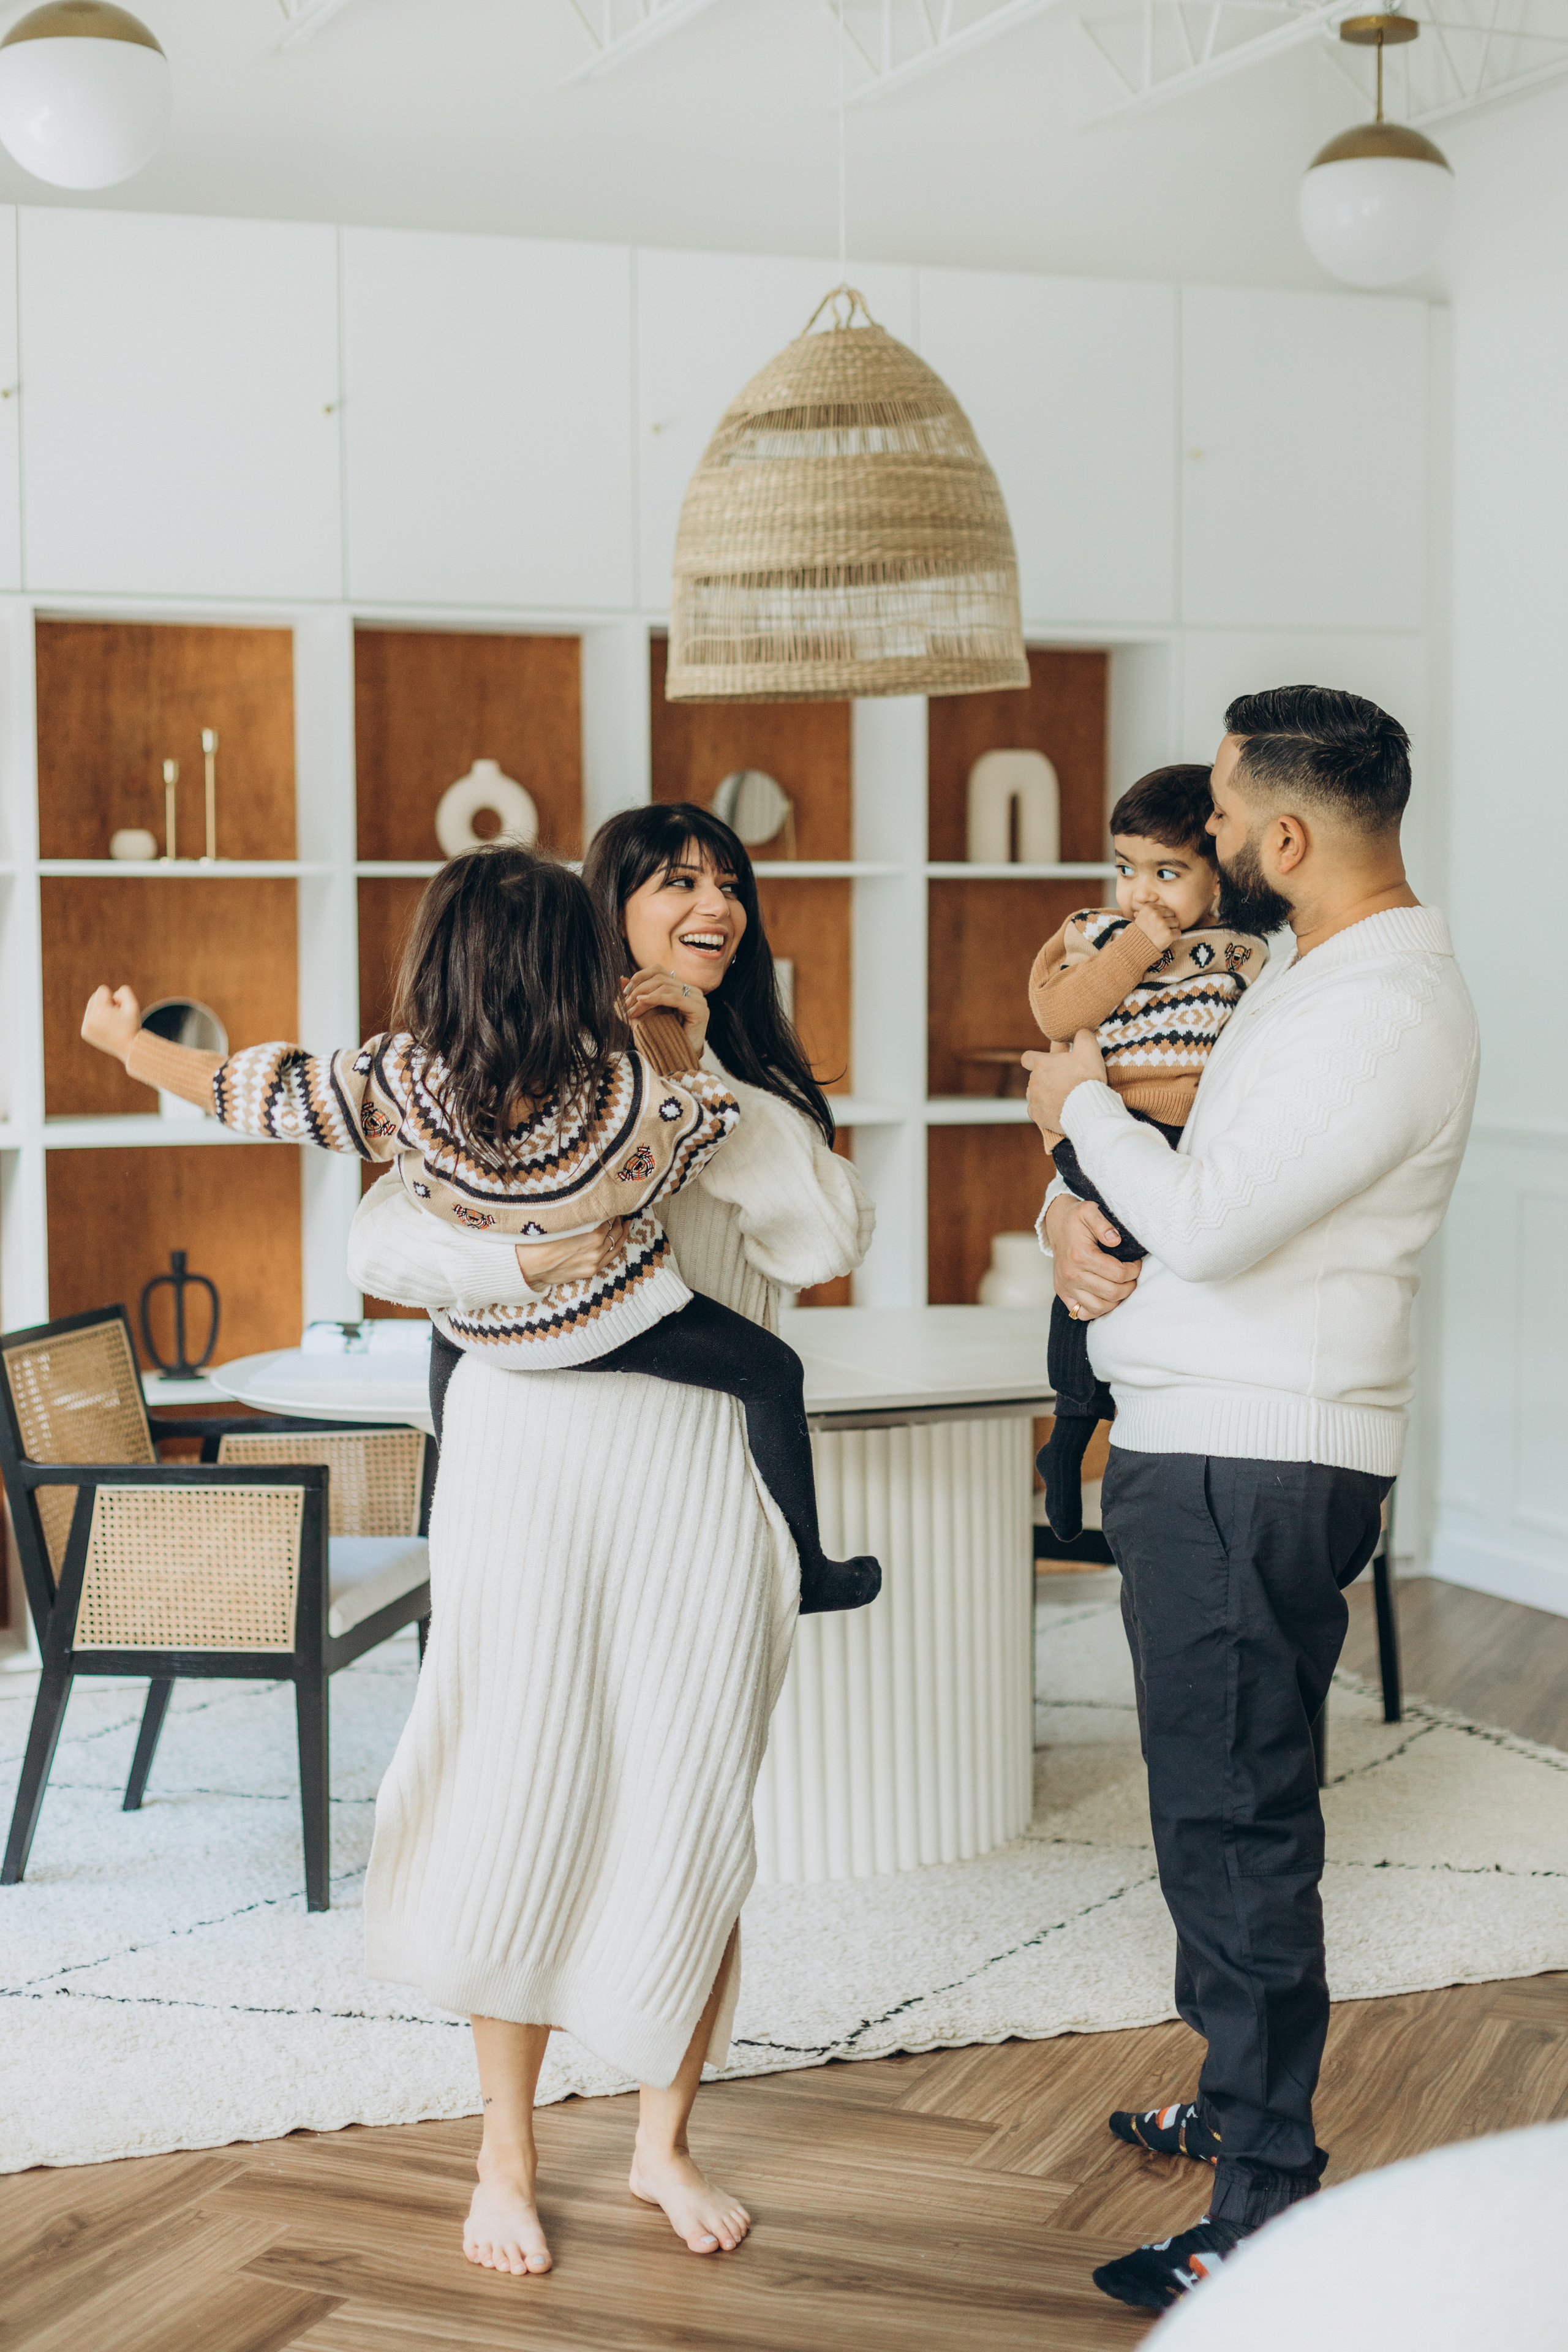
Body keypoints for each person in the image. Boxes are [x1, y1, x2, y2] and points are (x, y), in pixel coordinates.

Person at [342, 802, 875, 2279]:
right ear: (605, 914)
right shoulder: (512, 1066)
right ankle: (504, 2149)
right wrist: (526, 1251)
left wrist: (696, 1075)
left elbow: (819, 1247)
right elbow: (378, 1245)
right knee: (518, 1795)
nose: (709, 902)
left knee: (689, 1801)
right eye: (672, 882)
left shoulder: (752, 1083)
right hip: (530, 1474)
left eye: (727, 882)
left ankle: (661, 2137)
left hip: (704, 1484)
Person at [1022, 686, 1478, 2314]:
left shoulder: (1384, 1007)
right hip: (1204, 1439)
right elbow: (1182, 1196)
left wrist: (1066, 1102)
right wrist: (1075, 1237)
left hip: (1252, 1458)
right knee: (1204, 1804)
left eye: (1217, 816)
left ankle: (1266, 2197)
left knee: (1238, 1822)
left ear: (1286, 836)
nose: (1203, 839)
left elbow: (1207, 1222)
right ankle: (1236, 2103)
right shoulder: (1308, 980)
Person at [79, 843, 878, 1615]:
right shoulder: (615, 1098)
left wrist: (133, 1046)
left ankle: (448, 1545)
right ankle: (807, 1569)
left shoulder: (398, 1080)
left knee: (448, 1369)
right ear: (584, 973)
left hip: (475, 1334)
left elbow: (259, 1092)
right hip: (604, 1324)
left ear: (436, 964)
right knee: (771, 1373)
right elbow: (693, 1135)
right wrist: (681, 1053)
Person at [1027, 764, 1267, 1542]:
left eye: (1168, 873)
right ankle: (1070, 1430)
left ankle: (1083, 1430)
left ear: (1219, 878)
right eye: (1127, 869)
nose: (1142, 892)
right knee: (1102, 1259)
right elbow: (1058, 1009)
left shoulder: (1246, 955)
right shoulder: (1096, 932)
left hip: (1180, 1140)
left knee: (1114, 1265)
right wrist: (1135, 945)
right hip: (1104, 1120)